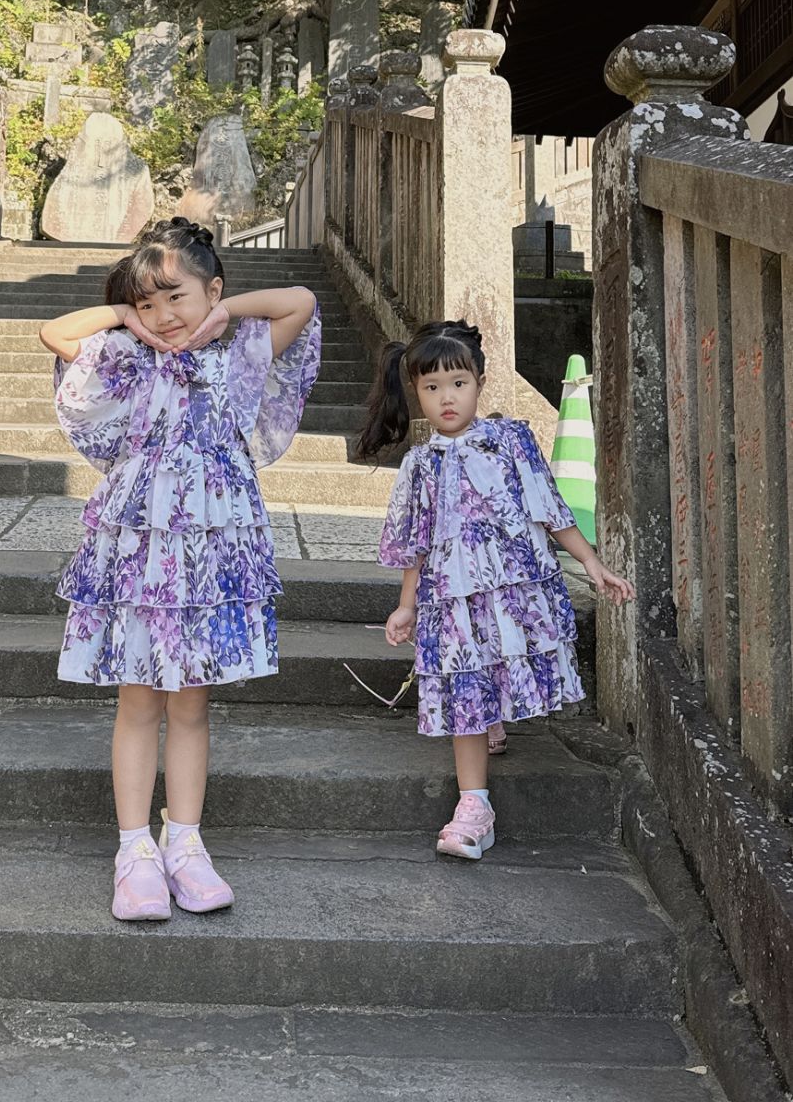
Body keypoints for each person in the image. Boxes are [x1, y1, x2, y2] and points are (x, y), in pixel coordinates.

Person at [39, 218, 320, 919]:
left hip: (210, 557)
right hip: (138, 549)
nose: (163, 315)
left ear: (212, 290)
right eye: (148, 301)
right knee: (138, 699)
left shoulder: (241, 357)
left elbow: (300, 302)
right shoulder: (125, 358)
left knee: (192, 704)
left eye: (175, 296)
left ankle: (185, 843)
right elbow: (55, 334)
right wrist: (124, 317)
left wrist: (227, 314)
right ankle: (133, 851)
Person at [356, 320, 633, 860]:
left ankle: (493, 728)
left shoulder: (511, 442)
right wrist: (406, 604)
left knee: (493, 679)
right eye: (432, 388)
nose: (446, 398)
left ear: (480, 382)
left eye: (458, 383)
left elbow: (549, 509)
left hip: (511, 591)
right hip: (448, 598)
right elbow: (415, 543)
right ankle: (473, 806)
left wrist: (593, 564)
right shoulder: (419, 465)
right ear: (416, 393)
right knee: (464, 692)